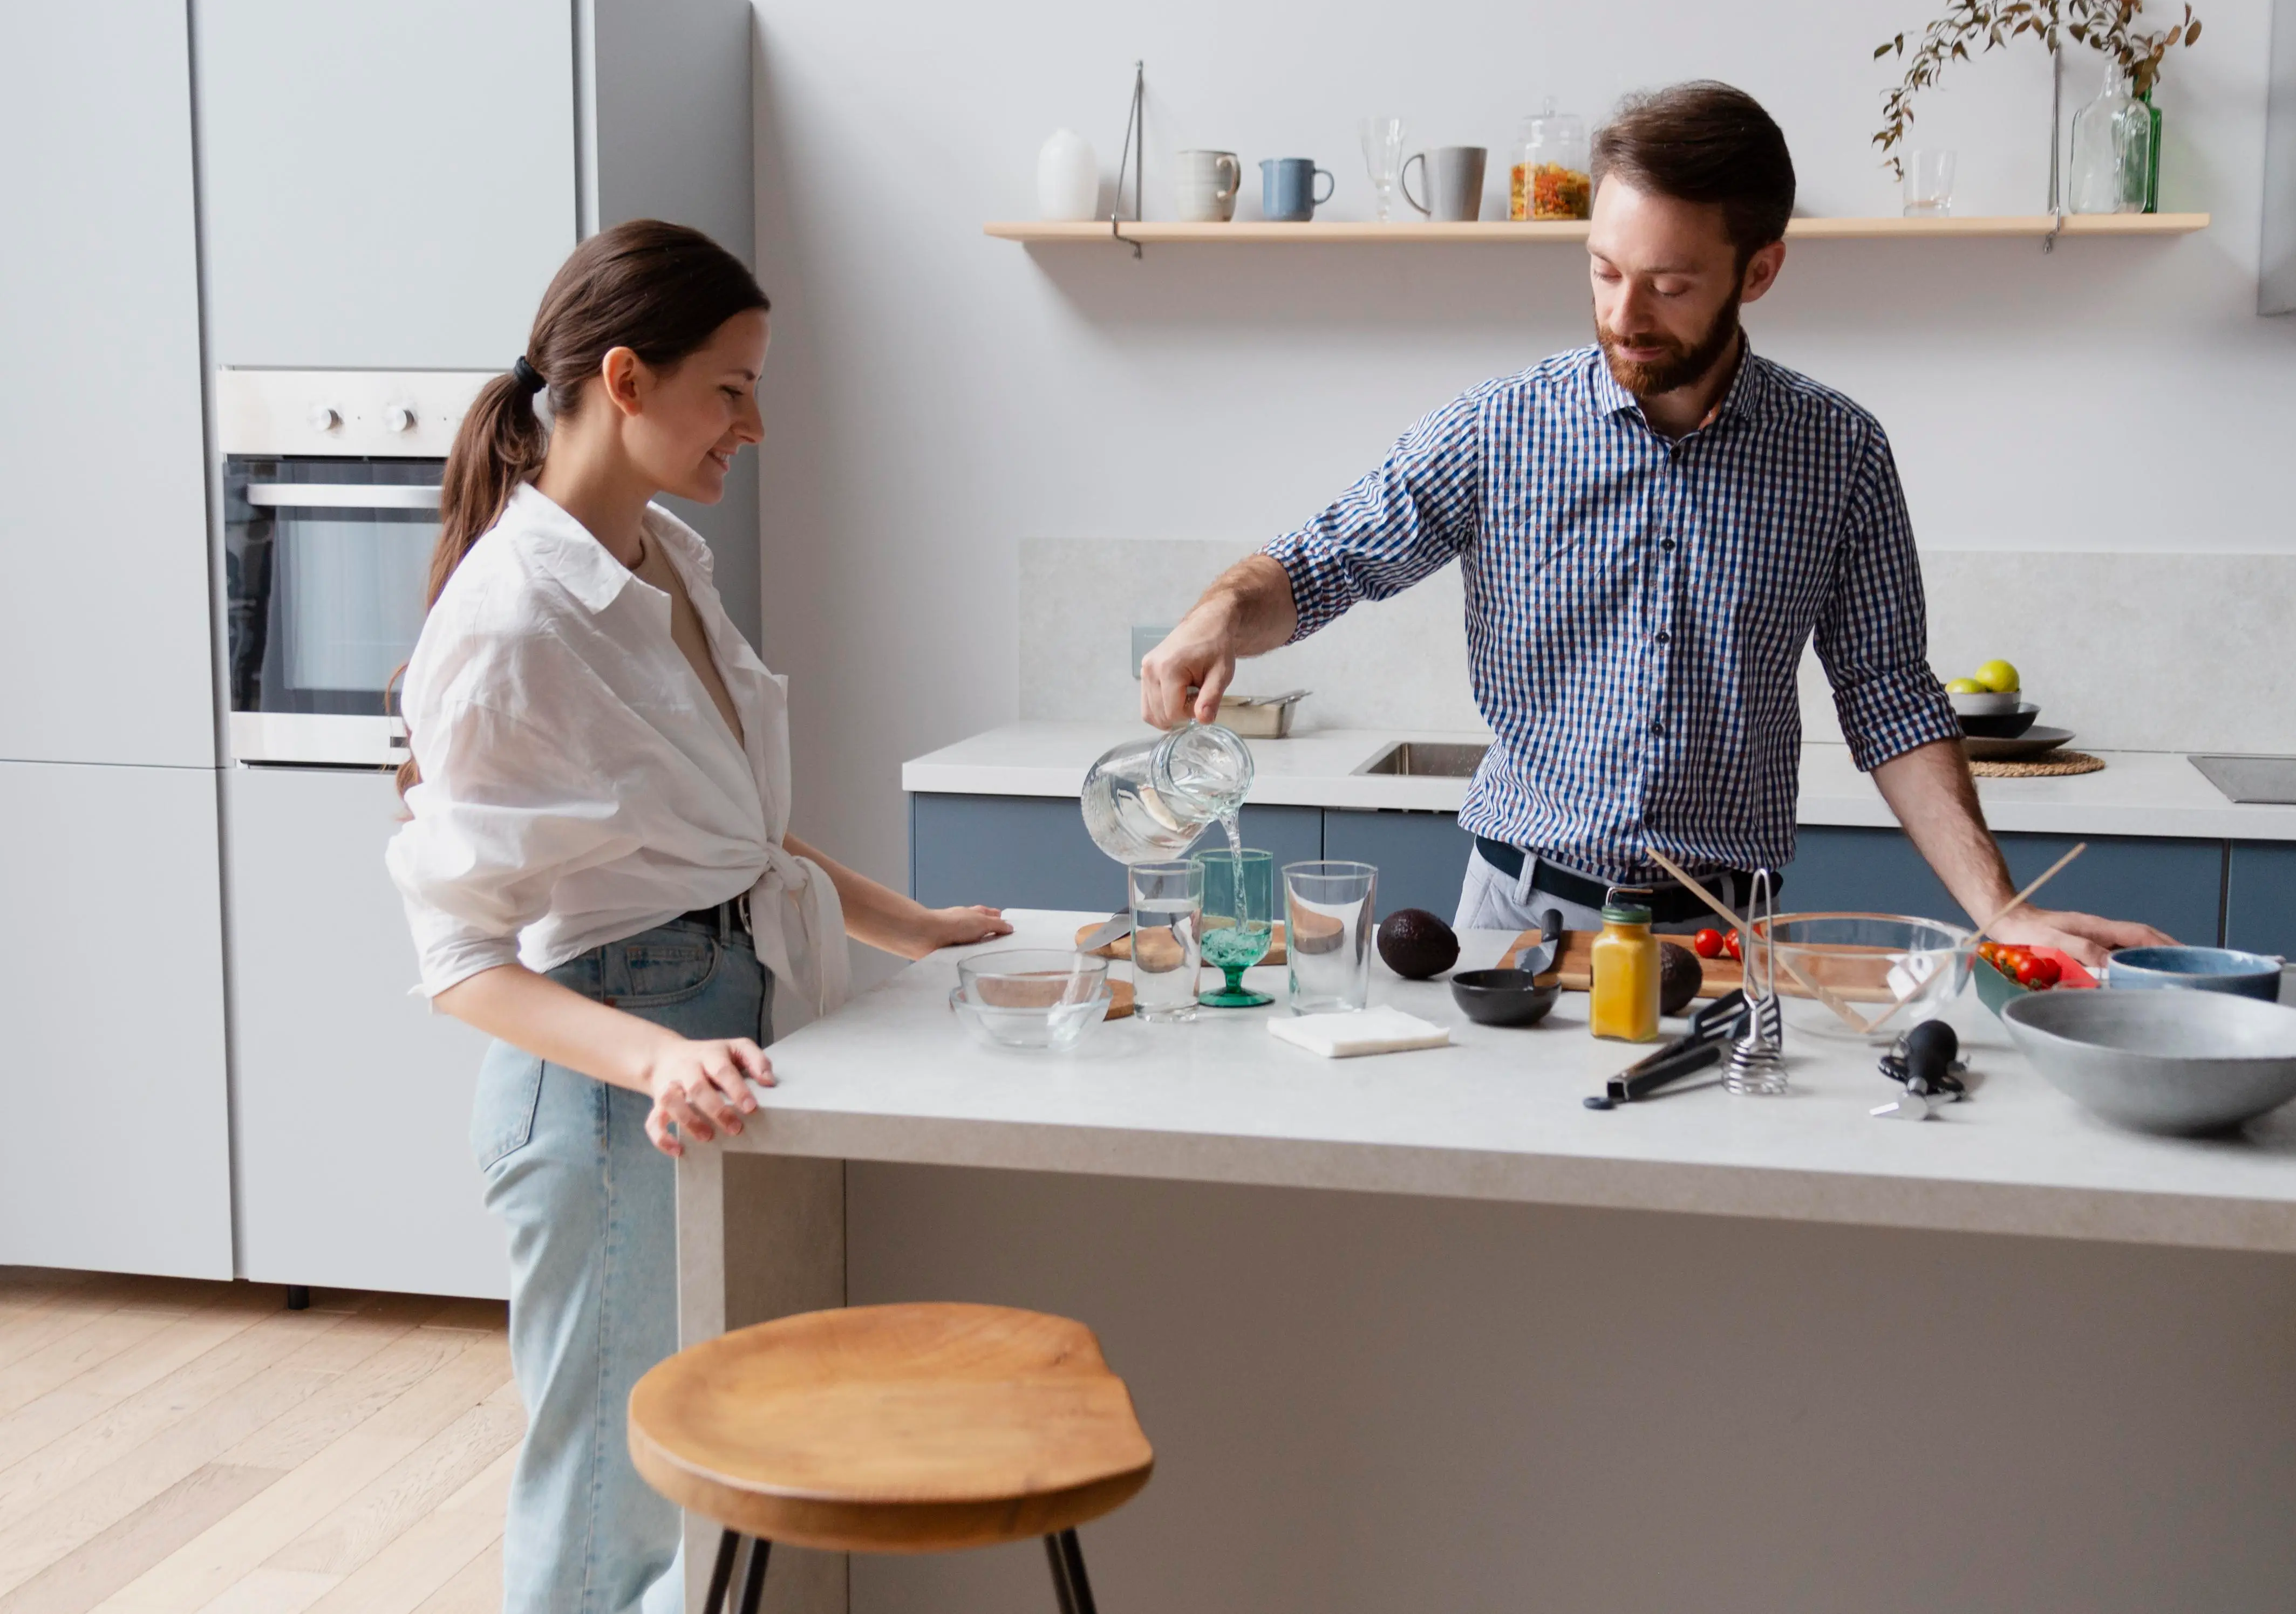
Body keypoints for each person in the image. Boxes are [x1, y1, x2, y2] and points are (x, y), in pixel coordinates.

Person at [1139, 83, 2171, 968]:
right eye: (1603, 270)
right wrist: (1213, 621)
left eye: (1670, 285)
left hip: (1721, 934)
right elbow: (1324, 562)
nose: (1626, 313)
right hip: (1515, 917)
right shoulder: (1500, 428)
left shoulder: (1840, 454)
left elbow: (1890, 698)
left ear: (1757, 272)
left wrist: (1999, 907)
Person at [385, 220, 1009, 1613]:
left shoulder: (658, 553)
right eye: (731, 388)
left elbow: (711, 828)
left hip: (717, 1042)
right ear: (625, 379)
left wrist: (896, 922)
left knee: (707, 1493)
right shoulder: (509, 623)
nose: (758, 425)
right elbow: (462, 965)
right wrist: (657, 1058)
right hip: (616, 1095)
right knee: (606, 1510)